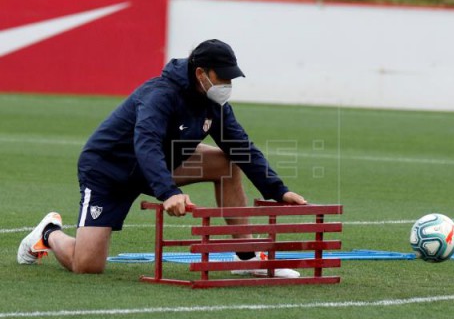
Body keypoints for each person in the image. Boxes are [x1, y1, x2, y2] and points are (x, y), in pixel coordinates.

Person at [17, 39, 307, 278]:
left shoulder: (214, 104)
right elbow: (146, 143)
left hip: (161, 163)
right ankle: (49, 233)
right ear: (200, 73)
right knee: (88, 265)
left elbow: (240, 146)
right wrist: (168, 192)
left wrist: (277, 189)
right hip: (108, 171)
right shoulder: (160, 94)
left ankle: (246, 257)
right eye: (224, 76)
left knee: (227, 162)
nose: (229, 83)